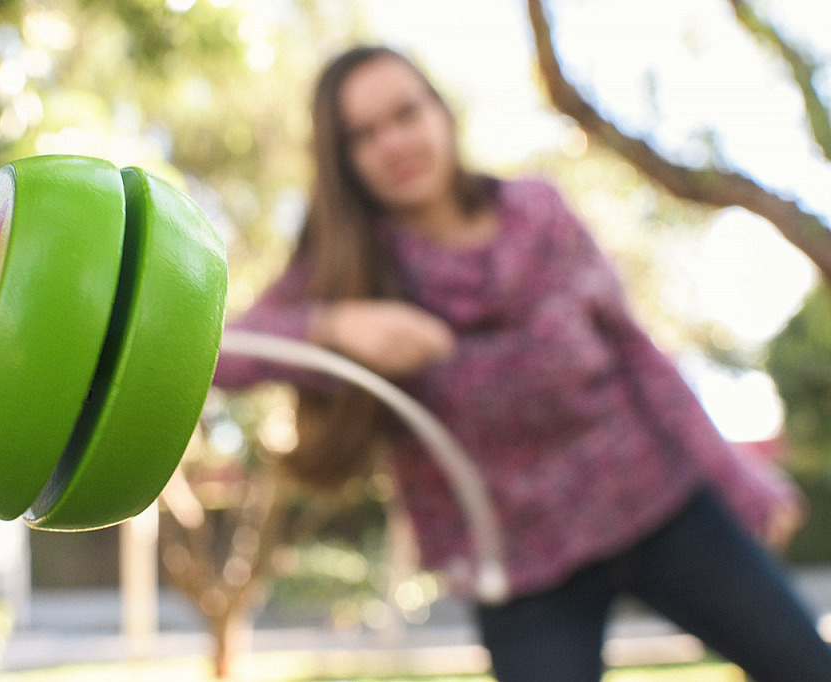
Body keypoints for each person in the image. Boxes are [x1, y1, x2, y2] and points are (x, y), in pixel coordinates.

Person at [211, 44, 831, 681]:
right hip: (516, 570)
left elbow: (639, 355)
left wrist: (736, 476)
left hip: (657, 503)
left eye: (406, 114)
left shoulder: (540, 215)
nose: (393, 143)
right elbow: (221, 354)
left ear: (441, 113)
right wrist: (336, 325)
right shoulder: (349, 274)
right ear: (344, 161)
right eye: (363, 135)